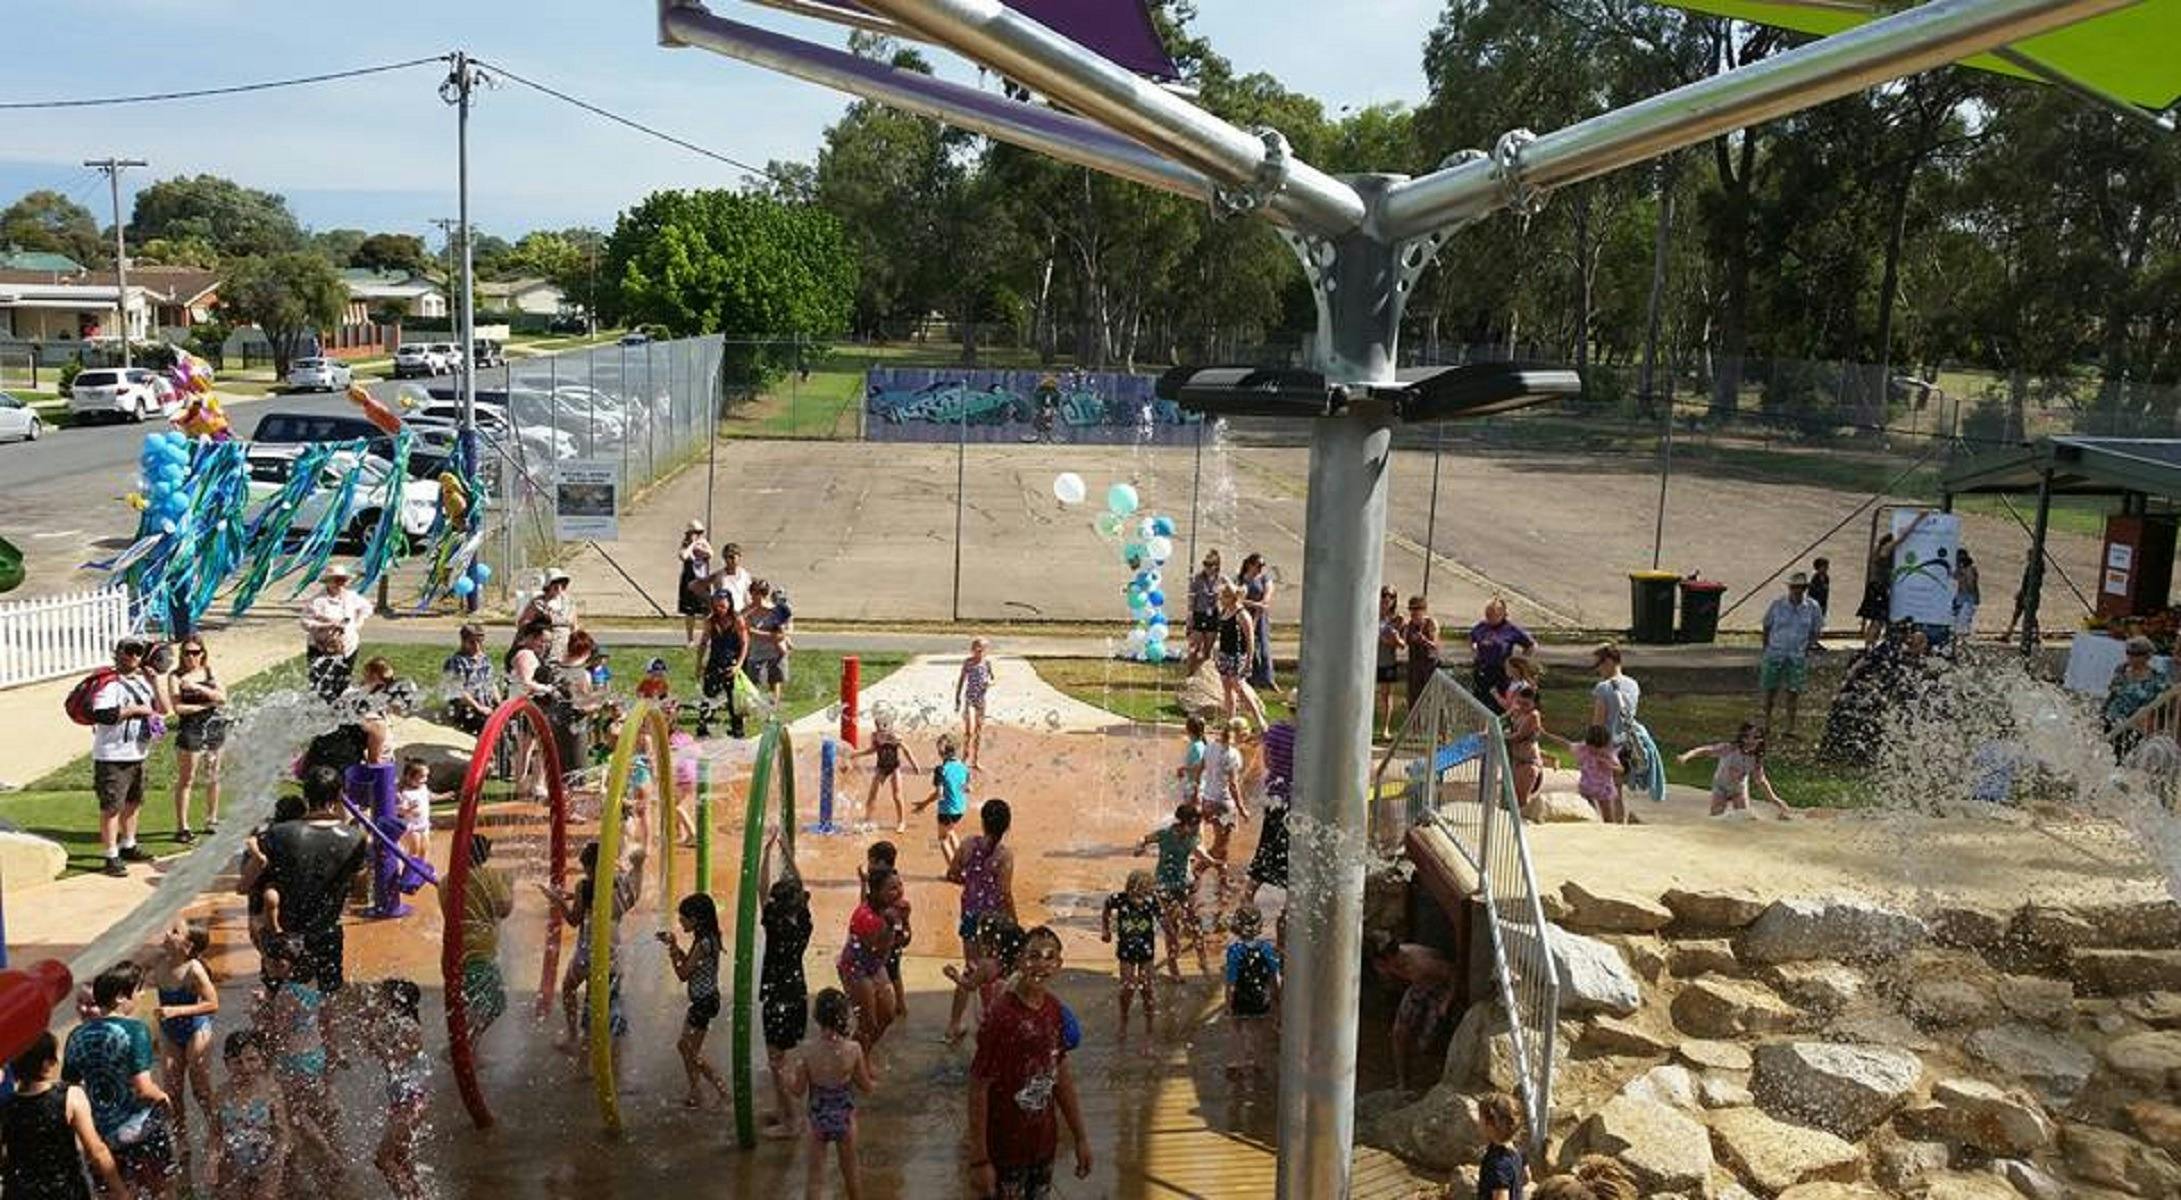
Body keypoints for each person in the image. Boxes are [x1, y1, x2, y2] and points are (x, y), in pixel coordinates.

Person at [967, 926, 1092, 1199]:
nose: (1041, 965)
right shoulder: (1002, 1017)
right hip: (1004, 1151)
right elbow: (978, 1087)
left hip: (1043, 1145)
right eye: (1033, 956)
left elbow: (1060, 1075)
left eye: (1049, 957)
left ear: (1059, 964)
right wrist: (979, 1160)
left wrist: (1080, 1136)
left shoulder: (1054, 1011)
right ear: (1020, 961)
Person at [244, 767, 368, 993]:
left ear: (306, 796)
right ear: (339, 795)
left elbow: (252, 885)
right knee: (329, 1000)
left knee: (278, 999)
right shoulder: (355, 839)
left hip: (285, 936)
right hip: (327, 932)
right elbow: (360, 892)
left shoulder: (279, 833)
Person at [64, 964, 174, 1198]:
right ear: (122, 996)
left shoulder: (75, 1037)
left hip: (102, 1138)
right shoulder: (135, 1030)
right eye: (138, 990)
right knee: (159, 1192)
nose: (142, 995)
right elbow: (143, 1088)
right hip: (140, 1133)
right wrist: (163, 1097)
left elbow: (69, 1090)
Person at [542, 841, 646, 1059]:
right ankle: (613, 1054)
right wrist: (638, 865)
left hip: (588, 950)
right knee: (608, 1000)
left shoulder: (585, 886)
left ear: (589, 866)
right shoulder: (621, 883)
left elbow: (573, 919)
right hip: (613, 949)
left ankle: (575, 1040)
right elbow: (627, 897)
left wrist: (557, 900)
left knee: (570, 988)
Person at [251, 940, 341, 1183]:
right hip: (315, 1055)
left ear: (281, 964)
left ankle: (329, 1156)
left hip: (295, 1060)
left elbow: (277, 1034)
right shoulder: (310, 987)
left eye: (267, 961)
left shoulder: (285, 994)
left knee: (293, 1114)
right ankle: (317, 1152)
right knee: (311, 1107)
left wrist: (259, 1012)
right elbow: (322, 1020)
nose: (264, 965)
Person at [5, 1030, 129, 1199]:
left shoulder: (7, 1106)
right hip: (65, 1191)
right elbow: (96, 1151)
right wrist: (120, 1190)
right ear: (47, 1063)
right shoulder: (70, 1096)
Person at [787, 988, 876, 1200]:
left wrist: (784, 1077)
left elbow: (798, 1091)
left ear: (816, 1017)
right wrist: (875, 1081)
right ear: (844, 1016)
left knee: (815, 1178)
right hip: (844, 1118)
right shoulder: (853, 1049)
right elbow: (866, 1087)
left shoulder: (808, 1051)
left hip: (817, 1119)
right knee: (851, 1173)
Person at [945, 799, 1017, 1045]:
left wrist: (972, 883)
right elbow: (1005, 893)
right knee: (994, 973)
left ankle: (954, 1024)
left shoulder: (967, 845)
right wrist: (1014, 922)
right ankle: (990, 1022)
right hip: (993, 923)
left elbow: (952, 874)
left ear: (983, 822)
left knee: (971, 969)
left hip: (970, 916)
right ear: (1007, 826)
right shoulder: (1004, 855)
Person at [89, 637, 162, 878]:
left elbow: (162, 708)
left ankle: (128, 844)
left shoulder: (143, 683)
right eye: (128, 651)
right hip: (112, 755)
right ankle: (111, 855)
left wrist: (155, 682)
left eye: (137, 652)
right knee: (111, 807)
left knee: (134, 802)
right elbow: (102, 714)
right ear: (117, 653)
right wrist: (135, 710)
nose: (132, 656)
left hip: (137, 753)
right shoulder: (109, 684)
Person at [152, 921, 217, 1187]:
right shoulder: (159, 962)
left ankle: (216, 1133)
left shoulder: (194, 969)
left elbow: (213, 1004)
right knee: (172, 1088)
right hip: (170, 1031)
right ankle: (181, 1138)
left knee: (200, 1086)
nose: (167, 933)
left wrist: (176, 1011)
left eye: (175, 932)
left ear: (187, 946)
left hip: (195, 1028)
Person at [759, 828, 812, 1139]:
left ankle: (792, 1121)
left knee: (777, 1061)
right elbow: (799, 886)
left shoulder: (777, 927)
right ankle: (784, 1111)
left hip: (778, 994)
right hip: (796, 993)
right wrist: (788, 853)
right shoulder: (802, 923)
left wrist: (767, 853)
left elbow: (760, 889)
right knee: (781, 1057)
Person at [659, 894, 731, 1109]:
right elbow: (691, 964)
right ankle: (695, 1091)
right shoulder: (706, 938)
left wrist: (672, 948)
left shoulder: (704, 943)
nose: (680, 921)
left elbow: (683, 973)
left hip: (704, 1003)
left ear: (697, 919)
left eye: (684, 918)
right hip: (704, 1000)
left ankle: (721, 1089)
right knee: (686, 1047)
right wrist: (676, 948)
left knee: (689, 1050)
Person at [1366, 933, 1457, 1092]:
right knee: (1399, 1033)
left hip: (1439, 987)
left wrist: (1446, 1002)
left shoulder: (1421, 963)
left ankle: (1435, 1082)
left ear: (1389, 957)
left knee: (1427, 1042)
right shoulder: (1386, 964)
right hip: (1419, 987)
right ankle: (1403, 1083)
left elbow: (1452, 973)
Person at [207, 1031, 288, 1200]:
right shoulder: (220, 1095)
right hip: (234, 1162)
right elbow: (215, 1133)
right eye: (237, 1062)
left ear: (262, 1059)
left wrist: (278, 1157)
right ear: (226, 1063)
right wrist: (213, 1161)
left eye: (252, 1059)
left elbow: (283, 1131)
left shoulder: (271, 1091)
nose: (245, 1068)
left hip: (267, 1161)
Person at [1137, 805, 1215, 980]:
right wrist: (1139, 847)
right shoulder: (1165, 834)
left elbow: (1199, 852)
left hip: (1184, 885)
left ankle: (1203, 962)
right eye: (1195, 824)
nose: (1197, 828)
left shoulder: (1192, 837)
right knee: (1173, 927)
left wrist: (1213, 861)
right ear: (1186, 823)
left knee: (1195, 924)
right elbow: (1144, 838)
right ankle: (1173, 967)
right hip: (1164, 886)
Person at [368, 980, 428, 1200]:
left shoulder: (410, 1029)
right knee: (401, 1157)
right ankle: (419, 1196)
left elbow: (394, 1064)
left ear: (395, 1002)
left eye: (382, 998)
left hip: (411, 1103)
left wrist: (375, 1042)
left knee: (383, 1159)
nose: (378, 1002)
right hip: (404, 1102)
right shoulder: (397, 1025)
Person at [450, 833, 513, 1044]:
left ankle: (467, 1048)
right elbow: (504, 910)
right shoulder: (491, 877)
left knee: (473, 1002)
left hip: (456, 951)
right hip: (480, 952)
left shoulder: (447, 880)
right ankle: (462, 1046)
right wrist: (510, 887)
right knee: (496, 1004)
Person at [167, 635, 226, 844]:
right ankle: (182, 826)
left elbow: (222, 697)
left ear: (202, 654)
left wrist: (199, 688)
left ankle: (212, 819)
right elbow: (178, 708)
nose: (191, 657)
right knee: (187, 779)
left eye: (195, 652)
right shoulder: (175, 676)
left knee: (213, 775)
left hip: (213, 727)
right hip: (191, 729)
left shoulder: (210, 672)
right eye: (187, 653)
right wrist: (205, 705)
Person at [838, 866, 902, 1050]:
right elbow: (879, 949)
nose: (899, 892)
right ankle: (857, 1058)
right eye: (892, 888)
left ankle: (860, 1051)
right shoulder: (865, 916)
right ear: (877, 892)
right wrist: (892, 925)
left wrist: (902, 924)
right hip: (855, 968)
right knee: (868, 1022)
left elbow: (903, 940)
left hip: (874, 966)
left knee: (888, 1014)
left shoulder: (891, 909)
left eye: (899, 885)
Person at [1679, 721, 1793, 820]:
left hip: (1739, 791)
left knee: (1743, 818)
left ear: (1761, 740)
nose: (1751, 741)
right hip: (1720, 788)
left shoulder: (1756, 760)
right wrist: (1686, 756)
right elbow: (1705, 750)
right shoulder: (1729, 749)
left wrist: (1774, 799)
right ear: (1741, 737)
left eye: (1756, 737)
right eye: (1747, 736)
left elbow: (1761, 781)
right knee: (1715, 818)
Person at [1101, 870, 1162, 1052]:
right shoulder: (1119, 899)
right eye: (1135, 893)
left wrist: (1173, 933)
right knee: (1127, 987)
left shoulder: (1152, 903)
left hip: (1146, 953)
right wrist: (1105, 929)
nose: (1138, 898)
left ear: (1149, 892)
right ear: (1128, 890)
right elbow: (1106, 906)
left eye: (1143, 894)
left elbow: (1164, 920)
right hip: (1126, 952)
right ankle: (1123, 1019)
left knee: (1148, 989)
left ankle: (1149, 1030)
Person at [1760, 572, 1825, 740]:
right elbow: (1767, 625)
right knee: (1770, 690)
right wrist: (1767, 647)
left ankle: (1790, 727)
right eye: (1794, 587)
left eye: (1800, 588)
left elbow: (1816, 630)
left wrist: (1808, 647)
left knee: (1793, 692)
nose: (1797, 591)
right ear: (1789, 588)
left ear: (1805, 589)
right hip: (1776, 652)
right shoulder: (1778, 605)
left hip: (1797, 655)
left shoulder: (1812, 607)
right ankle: (1766, 724)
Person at [1222, 906, 1281, 1081]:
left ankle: (1236, 1063)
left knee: (1236, 1028)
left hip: (1240, 997)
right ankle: (1258, 1062)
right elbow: (1275, 977)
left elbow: (1231, 981)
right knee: (1259, 1030)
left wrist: (1228, 1002)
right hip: (1259, 997)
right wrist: (1276, 996)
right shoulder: (1266, 949)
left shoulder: (1235, 951)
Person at [298, 563, 371, 701]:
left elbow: (367, 608)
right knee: (321, 686)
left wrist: (357, 624)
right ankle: (320, 714)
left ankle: (340, 714)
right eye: (337, 579)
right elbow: (304, 622)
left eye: (343, 580)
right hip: (321, 648)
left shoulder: (351, 596)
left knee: (342, 684)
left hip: (348, 647)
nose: (340, 583)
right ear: (328, 581)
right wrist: (326, 625)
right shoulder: (317, 601)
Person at [1196, 718, 1251, 896]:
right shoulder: (1232, 754)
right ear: (1239, 733)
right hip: (1223, 803)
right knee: (1220, 845)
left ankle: (1223, 879)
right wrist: (1242, 809)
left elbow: (1199, 770)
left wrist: (1198, 793)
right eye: (1245, 734)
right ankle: (1197, 870)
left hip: (1208, 800)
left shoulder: (1210, 746)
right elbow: (1233, 785)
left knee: (1223, 845)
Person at [1245, 708, 1295, 904]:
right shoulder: (1309, 735)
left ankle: (1247, 899)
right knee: (1293, 853)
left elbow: (1267, 761)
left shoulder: (1275, 731)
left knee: (1266, 846)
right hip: (1294, 801)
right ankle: (1290, 907)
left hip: (1274, 797)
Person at [1857, 514, 1929, 645]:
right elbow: (1902, 538)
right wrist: (1917, 521)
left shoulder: (1878, 552)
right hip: (1878, 587)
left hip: (1877, 587)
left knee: (1877, 621)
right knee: (1877, 621)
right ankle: (1869, 645)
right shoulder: (1885, 549)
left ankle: (1870, 644)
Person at [851, 708, 918, 834]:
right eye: (877, 726)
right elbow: (871, 750)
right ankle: (867, 820)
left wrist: (914, 765)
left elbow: (906, 750)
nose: (879, 729)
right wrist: (856, 754)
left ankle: (901, 822)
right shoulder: (875, 736)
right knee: (872, 795)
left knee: (897, 795)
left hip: (894, 768)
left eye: (882, 726)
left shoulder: (895, 737)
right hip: (881, 768)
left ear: (888, 725)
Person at [1588, 644, 1642, 799]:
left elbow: (1598, 723)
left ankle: (1608, 822)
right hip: (1626, 745)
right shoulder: (1633, 685)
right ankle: (1619, 822)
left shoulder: (1603, 688)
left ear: (1610, 661)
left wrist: (1590, 748)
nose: (1598, 670)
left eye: (1600, 664)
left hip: (1606, 746)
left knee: (1600, 792)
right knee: (1617, 792)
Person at [1468, 597, 1537, 715]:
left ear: (1501, 614)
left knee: (1497, 705)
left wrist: (1519, 661)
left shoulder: (1510, 629)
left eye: (1491, 615)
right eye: (1487, 614)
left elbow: (1531, 645)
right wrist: (1474, 650)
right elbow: (1471, 637)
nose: (1488, 617)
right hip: (1482, 670)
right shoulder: (1482, 626)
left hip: (1501, 673)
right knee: (1480, 703)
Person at [1215, 582, 1269, 732]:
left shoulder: (1242, 615)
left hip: (1238, 656)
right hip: (1225, 655)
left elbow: (1251, 639)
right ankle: (1230, 722)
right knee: (1227, 688)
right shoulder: (1225, 611)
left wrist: (1249, 661)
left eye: (1223, 597)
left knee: (1239, 687)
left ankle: (1259, 719)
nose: (1220, 599)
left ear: (1231, 597)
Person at [694, 592, 748, 740]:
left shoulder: (737, 619)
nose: (720, 609)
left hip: (732, 662)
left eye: (723, 606)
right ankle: (703, 729)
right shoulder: (711, 621)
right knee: (708, 696)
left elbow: (744, 643)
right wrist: (699, 664)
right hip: (715, 661)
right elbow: (704, 643)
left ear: (729, 604)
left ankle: (738, 731)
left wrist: (739, 665)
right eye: (717, 606)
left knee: (734, 700)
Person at [915, 732, 972, 851]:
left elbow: (939, 794)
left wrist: (924, 804)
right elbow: (968, 788)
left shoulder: (941, 770)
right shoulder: (963, 767)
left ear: (941, 752)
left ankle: (954, 866)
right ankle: (959, 861)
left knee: (942, 839)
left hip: (947, 810)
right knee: (950, 831)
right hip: (960, 809)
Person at [1557, 724, 1626, 824]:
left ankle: (1610, 830)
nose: (1596, 751)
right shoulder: (1583, 749)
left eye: (1600, 748)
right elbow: (1565, 743)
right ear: (1588, 744)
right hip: (1586, 789)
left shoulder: (1608, 755)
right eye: (1593, 748)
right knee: (1589, 815)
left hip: (1604, 790)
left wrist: (1609, 766)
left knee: (1609, 819)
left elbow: (1621, 769)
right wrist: (1546, 734)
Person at [2105, 635, 2171, 737]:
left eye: (2136, 654)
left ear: (2148, 656)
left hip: (2135, 726)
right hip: (2112, 719)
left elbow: (2162, 706)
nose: (2130, 657)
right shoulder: (2121, 670)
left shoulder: (2157, 678)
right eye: (2128, 652)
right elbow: (2112, 694)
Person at [440, 622, 498, 736]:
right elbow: (459, 691)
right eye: (472, 642)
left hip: (485, 706)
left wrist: (499, 703)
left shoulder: (484, 659)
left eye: (480, 642)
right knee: (487, 726)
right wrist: (479, 708)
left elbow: (491, 684)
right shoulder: (456, 662)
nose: (477, 646)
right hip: (468, 709)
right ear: (463, 641)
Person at [742, 579, 792, 707]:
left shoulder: (774, 611)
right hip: (755, 651)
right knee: (752, 682)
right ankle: (753, 707)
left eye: (760, 593)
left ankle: (772, 708)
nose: (755, 596)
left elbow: (781, 636)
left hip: (775, 652)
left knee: (774, 681)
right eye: (753, 592)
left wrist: (756, 633)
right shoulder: (746, 611)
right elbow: (742, 630)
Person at [1502, 683, 1547, 811]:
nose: (1522, 707)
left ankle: (1522, 827)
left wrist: (1498, 737)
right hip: (1517, 761)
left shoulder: (1533, 715)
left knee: (1521, 801)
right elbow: (1501, 721)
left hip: (1528, 763)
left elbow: (1518, 736)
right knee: (1512, 798)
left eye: (1526, 704)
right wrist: (1510, 712)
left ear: (1534, 704)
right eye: (1520, 703)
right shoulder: (1518, 712)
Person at [1474, 1092, 1526, 1200]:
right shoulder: (1517, 1150)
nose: (1477, 1122)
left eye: (1480, 1119)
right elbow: (1527, 1176)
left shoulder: (1497, 1164)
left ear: (1491, 1125)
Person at [1238, 553, 1278, 693]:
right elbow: (1236, 598)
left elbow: (1266, 600)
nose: (1261, 568)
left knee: (1264, 649)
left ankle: (1268, 679)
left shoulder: (1265, 579)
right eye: (1258, 565)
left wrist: (1256, 614)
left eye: (1263, 566)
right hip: (1243, 616)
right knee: (1247, 648)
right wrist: (1254, 605)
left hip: (1260, 618)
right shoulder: (1241, 579)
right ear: (1250, 565)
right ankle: (1249, 679)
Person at [519, 568, 578, 663]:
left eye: (562, 583)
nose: (559, 587)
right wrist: (539, 629)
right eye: (555, 584)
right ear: (548, 585)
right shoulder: (538, 603)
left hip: (564, 647)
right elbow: (523, 623)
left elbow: (574, 625)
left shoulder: (569, 603)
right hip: (544, 647)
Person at [956, 637, 996, 770]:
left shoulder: (987, 663)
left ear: (985, 650)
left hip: (981, 700)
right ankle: (964, 757)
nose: (978, 652)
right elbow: (961, 680)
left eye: (982, 649)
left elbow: (992, 678)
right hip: (969, 700)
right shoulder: (968, 662)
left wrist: (990, 683)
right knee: (969, 731)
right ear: (972, 650)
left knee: (979, 731)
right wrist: (957, 697)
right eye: (976, 649)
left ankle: (975, 760)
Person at [1186, 550, 1224, 674]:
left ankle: (1204, 677)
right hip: (1199, 614)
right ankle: (1190, 674)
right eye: (1205, 564)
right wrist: (1190, 618)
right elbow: (1191, 599)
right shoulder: (1198, 579)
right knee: (1194, 649)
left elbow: (1233, 591)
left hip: (1213, 615)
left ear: (1216, 566)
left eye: (1210, 565)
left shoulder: (1221, 579)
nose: (1207, 568)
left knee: (1208, 650)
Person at [677, 519, 714, 646]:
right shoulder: (685, 545)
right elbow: (683, 556)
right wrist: (692, 545)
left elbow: (710, 553)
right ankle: (690, 639)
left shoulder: (703, 543)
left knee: (707, 611)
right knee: (689, 612)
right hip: (689, 579)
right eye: (695, 533)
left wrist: (701, 546)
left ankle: (707, 637)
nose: (698, 535)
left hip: (703, 580)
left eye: (700, 533)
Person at [393, 757, 436, 867]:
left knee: (424, 849)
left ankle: (422, 871)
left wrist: (446, 795)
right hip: (412, 827)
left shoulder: (423, 788)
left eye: (426, 776)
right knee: (415, 850)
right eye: (421, 777)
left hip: (424, 825)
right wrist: (408, 810)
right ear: (409, 777)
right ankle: (410, 871)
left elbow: (431, 796)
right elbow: (399, 811)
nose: (425, 779)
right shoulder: (405, 793)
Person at [1404, 595, 1443, 709]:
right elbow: (1404, 643)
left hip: (1429, 666)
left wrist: (1424, 640)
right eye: (1411, 609)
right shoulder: (1410, 625)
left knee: (1432, 699)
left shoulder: (1431, 623)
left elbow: (1436, 645)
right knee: (1414, 701)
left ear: (1423, 610)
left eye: (1416, 609)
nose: (1413, 612)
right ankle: (1416, 726)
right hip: (1414, 667)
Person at [1377, 586, 1405, 738]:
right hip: (1370, 660)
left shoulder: (1397, 619)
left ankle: (1385, 728)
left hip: (1387, 660)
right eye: (1384, 595)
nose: (1387, 599)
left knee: (1386, 695)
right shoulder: (1370, 613)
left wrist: (1393, 639)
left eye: (1391, 596)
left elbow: (1402, 645)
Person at [710, 542, 754, 612]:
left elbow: (747, 596)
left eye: (732, 557)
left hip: (740, 613)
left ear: (739, 557)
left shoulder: (745, 575)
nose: (728, 560)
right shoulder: (719, 575)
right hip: (724, 614)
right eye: (726, 557)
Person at [1174, 715, 1208, 805]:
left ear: (1188, 730)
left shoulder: (1197, 747)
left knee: (1191, 812)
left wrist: (1184, 769)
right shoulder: (1196, 744)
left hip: (1196, 786)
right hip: (1193, 785)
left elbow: (1199, 767)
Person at [1953, 546, 1981, 639]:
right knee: (1960, 622)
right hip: (1962, 598)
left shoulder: (1969, 569)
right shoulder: (1961, 569)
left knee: (1962, 623)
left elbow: (1971, 585)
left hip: (1967, 598)